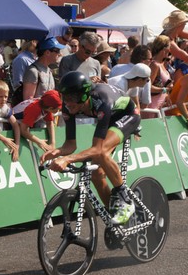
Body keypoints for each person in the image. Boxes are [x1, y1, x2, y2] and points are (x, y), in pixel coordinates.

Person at [41, 71, 141, 224]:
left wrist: (67, 159)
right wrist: (57, 152)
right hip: (108, 118)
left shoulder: (102, 100)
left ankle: (125, 202)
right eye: (64, 97)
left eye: (71, 98)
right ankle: (114, 218)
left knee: (101, 153)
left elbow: (97, 149)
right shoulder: (68, 107)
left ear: (83, 95)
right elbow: (70, 144)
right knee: (96, 174)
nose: (67, 103)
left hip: (127, 116)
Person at [144, 35, 173, 118]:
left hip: (160, 105)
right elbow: (148, 87)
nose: (170, 50)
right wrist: (164, 89)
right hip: (153, 106)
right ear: (164, 48)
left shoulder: (162, 64)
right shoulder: (155, 65)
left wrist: (167, 95)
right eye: (169, 46)